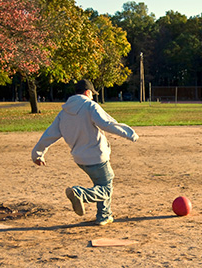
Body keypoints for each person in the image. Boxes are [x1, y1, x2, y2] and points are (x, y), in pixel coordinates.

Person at [31, 79, 139, 226]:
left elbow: (50, 134)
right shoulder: (90, 106)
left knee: (100, 183)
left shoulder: (63, 113)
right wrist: (129, 133)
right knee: (106, 188)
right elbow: (106, 123)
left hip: (80, 159)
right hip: (97, 156)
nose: (93, 97)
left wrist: (37, 153)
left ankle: (104, 215)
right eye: (92, 94)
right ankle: (80, 193)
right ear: (87, 92)